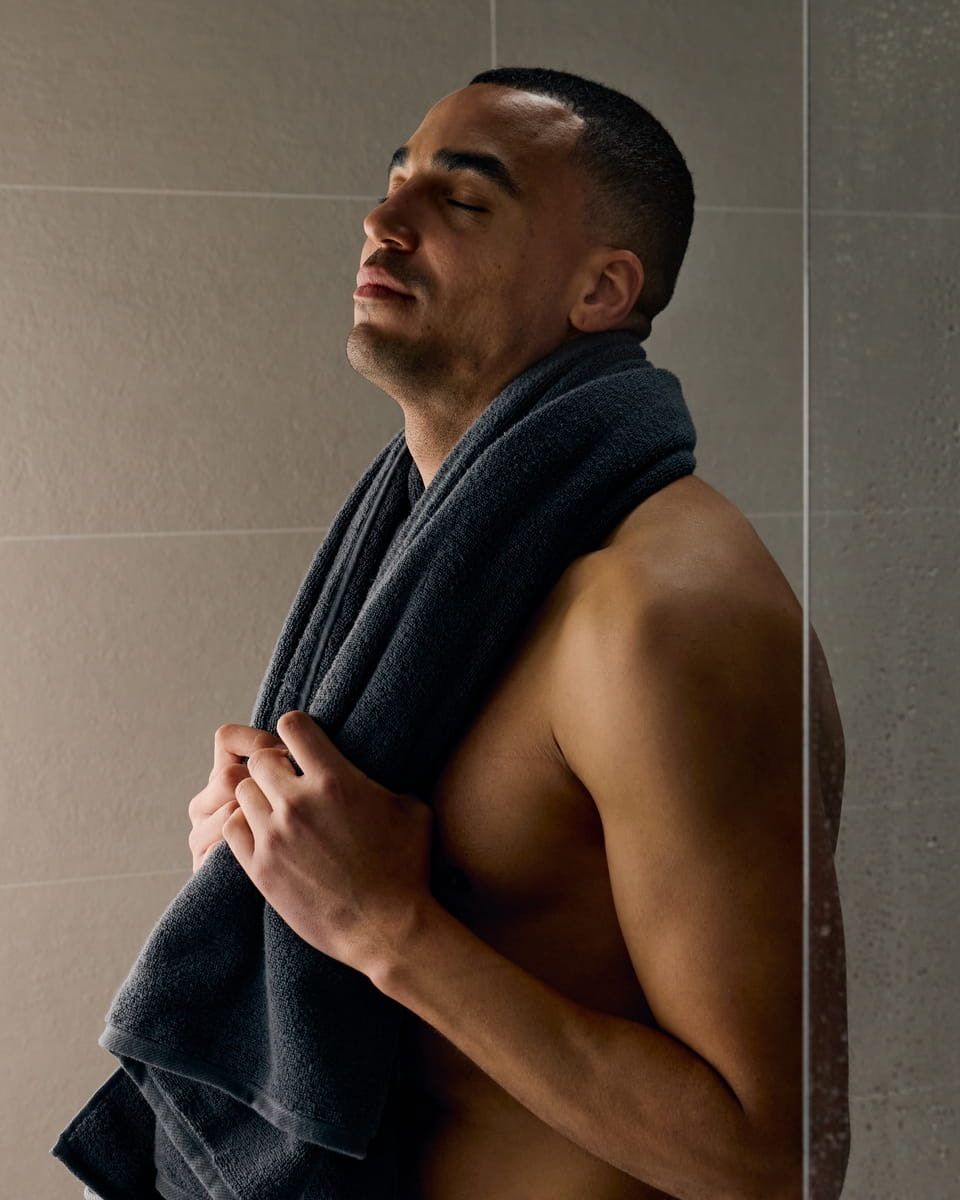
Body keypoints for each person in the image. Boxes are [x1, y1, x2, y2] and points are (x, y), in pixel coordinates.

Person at [187, 68, 849, 1200]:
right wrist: (267, 870)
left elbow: (777, 1161)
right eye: (396, 182)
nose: (383, 222)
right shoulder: (431, 572)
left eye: (463, 200)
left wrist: (382, 924)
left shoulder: (658, 615)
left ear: (602, 290)